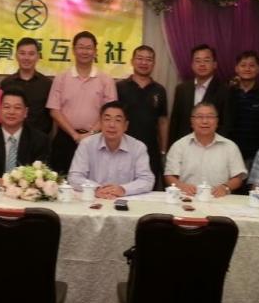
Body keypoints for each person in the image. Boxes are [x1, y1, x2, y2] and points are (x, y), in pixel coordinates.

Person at [46, 31, 117, 173]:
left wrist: (90, 134)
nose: (85, 51)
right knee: (61, 179)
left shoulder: (106, 79)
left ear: (95, 51)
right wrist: (74, 135)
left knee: (93, 180)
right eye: (81, 47)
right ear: (73, 50)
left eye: (89, 48)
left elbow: (110, 112)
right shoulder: (61, 78)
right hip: (65, 138)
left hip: (96, 139)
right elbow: (54, 110)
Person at [68, 101, 154, 198]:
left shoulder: (138, 147)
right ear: (100, 123)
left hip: (125, 200)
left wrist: (123, 189)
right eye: (107, 119)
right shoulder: (87, 144)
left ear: (126, 126)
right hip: (95, 199)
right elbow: (74, 177)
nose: (112, 125)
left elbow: (147, 180)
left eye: (118, 120)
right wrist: (96, 189)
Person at [0, 89, 51, 185]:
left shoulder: (40, 140)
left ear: (25, 112)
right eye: (6, 107)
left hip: (25, 192)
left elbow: (43, 173)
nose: (11, 112)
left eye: (17, 108)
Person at [164, 102, 246, 197]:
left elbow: (238, 177)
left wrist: (225, 187)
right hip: (187, 198)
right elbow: (169, 175)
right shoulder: (179, 146)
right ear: (192, 121)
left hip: (219, 199)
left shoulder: (230, 146)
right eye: (199, 117)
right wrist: (181, 186)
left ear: (217, 121)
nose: (205, 121)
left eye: (210, 117)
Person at [116, 45, 168, 186]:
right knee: (123, 188)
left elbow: (162, 121)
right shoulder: (120, 87)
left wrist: (163, 150)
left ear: (154, 64)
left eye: (148, 59)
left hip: (151, 149)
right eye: (140, 58)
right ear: (132, 61)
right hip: (123, 148)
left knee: (148, 188)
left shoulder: (159, 90)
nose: (144, 62)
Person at [168, 44, 229, 145]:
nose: (202, 64)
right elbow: (175, 123)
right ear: (192, 65)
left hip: (212, 147)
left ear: (215, 64)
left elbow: (226, 125)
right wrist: (171, 147)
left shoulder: (225, 91)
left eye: (206, 60)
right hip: (184, 146)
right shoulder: (182, 89)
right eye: (198, 61)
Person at [223, 50, 259, 167]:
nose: (247, 69)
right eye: (243, 65)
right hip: (229, 153)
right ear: (236, 68)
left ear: (258, 69)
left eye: (252, 65)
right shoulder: (227, 94)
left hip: (255, 156)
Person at [0, 37, 53, 134]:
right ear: (16, 56)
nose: (26, 58)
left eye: (31, 54)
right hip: (12, 136)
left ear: (38, 56)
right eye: (22, 53)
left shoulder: (47, 84)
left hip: (39, 139)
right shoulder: (6, 83)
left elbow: (52, 114)